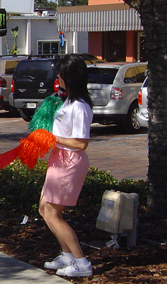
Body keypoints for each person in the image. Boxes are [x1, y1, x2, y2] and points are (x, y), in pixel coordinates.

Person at [40, 54, 94, 277]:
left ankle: (82, 263)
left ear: (70, 77)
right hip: (59, 159)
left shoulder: (80, 106)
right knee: (44, 209)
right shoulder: (67, 101)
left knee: (53, 213)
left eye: (61, 74)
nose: (58, 77)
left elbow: (81, 143)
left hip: (69, 161)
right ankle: (67, 256)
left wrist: (52, 139)